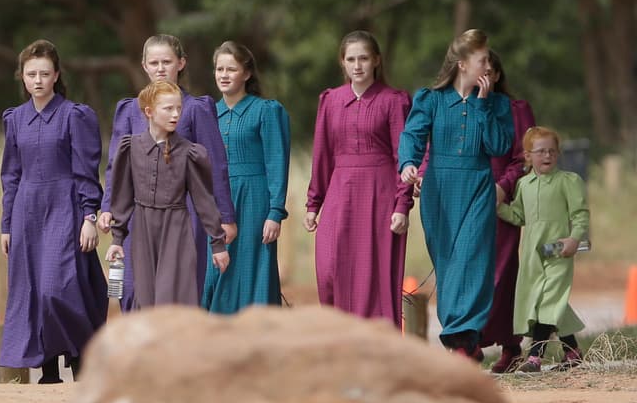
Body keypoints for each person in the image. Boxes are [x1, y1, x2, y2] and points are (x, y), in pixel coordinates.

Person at [100, 35, 236, 312]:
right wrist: (107, 208)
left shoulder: (196, 108)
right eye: (154, 62)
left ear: (181, 63)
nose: (160, 68)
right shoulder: (129, 110)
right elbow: (116, 166)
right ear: (144, 66)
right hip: (137, 215)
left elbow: (215, 167)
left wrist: (225, 217)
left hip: (183, 213)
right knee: (132, 290)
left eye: (167, 62)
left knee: (176, 290)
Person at [399, 29, 513, 359]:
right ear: (463, 65)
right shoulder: (430, 99)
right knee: (448, 266)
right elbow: (412, 136)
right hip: (438, 191)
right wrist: (408, 163)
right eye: (482, 61)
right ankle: (464, 342)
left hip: (477, 186)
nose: (488, 67)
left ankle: (460, 340)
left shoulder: (497, 104)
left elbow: (498, 146)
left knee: (471, 260)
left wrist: (482, 105)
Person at [0, 40, 108, 383]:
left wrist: (90, 215)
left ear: (56, 75)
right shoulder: (15, 119)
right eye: (31, 74)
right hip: (26, 211)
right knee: (31, 291)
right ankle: (48, 372)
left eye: (45, 73)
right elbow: (11, 174)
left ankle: (81, 359)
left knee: (58, 288)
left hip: (66, 206)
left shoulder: (75, 115)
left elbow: (87, 170)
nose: (38, 80)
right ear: (23, 77)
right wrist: (6, 224)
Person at [305, 31, 412, 326]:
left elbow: (403, 156)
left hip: (380, 194)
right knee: (329, 268)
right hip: (340, 192)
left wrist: (402, 205)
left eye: (363, 58)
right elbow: (322, 154)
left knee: (373, 274)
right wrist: (314, 204)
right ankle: (340, 338)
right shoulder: (330, 100)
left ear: (376, 60)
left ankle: (378, 346)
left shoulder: (394, 100)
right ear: (343, 63)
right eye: (351, 59)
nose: (357, 65)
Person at [202, 41, 291, 314]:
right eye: (219, 69)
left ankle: (258, 336)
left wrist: (275, 212)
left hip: (254, 199)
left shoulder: (266, 110)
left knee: (253, 267)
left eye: (231, 69)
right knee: (216, 268)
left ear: (247, 73)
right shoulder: (206, 113)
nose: (224, 75)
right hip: (216, 202)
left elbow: (277, 162)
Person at [496, 127, 588, 373]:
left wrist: (575, 238)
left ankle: (535, 356)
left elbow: (580, 216)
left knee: (548, 301)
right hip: (533, 255)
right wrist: (497, 207)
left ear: (557, 154)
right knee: (546, 303)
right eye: (540, 151)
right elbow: (518, 215)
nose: (547, 155)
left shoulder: (568, 181)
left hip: (558, 250)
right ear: (528, 156)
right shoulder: (524, 185)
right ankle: (573, 353)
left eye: (552, 151)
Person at [482, 51, 538, 373]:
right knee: (471, 272)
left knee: (503, 273)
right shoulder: (461, 108)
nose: (483, 79)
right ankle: (470, 339)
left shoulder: (517, 110)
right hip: (467, 197)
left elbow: (523, 156)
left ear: (498, 75)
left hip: (503, 199)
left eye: (489, 72)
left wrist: (503, 187)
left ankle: (511, 345)